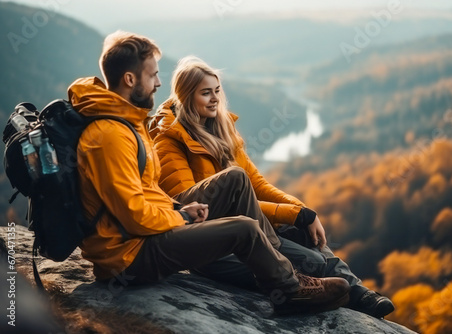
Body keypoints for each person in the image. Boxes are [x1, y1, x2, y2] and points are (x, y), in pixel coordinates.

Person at [69, 31, 351, 316]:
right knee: (244, 228)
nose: (158, 82)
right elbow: (134, 215)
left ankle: (280, 263)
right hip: (128, 256)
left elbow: (145, 193)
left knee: (235, 178)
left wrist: (178, 207)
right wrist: (181, 216)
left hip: (142, 236)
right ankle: (289, 291)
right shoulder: (110, 136)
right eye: (152, 75)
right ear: (130, 80)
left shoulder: (127, 122)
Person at [151, 56, 395, 318]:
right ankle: (313, 290)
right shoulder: (168, 142)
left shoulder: (221, 130)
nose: (215, 99)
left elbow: (258, 185)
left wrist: (302, 211)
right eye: (205, 93)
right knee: (312, 261)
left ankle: (357, 293)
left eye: (217, 92)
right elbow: (195, 212)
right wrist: (289, 214)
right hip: (216, 247)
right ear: (186, 97)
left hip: (250, 231)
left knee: (305, 232)